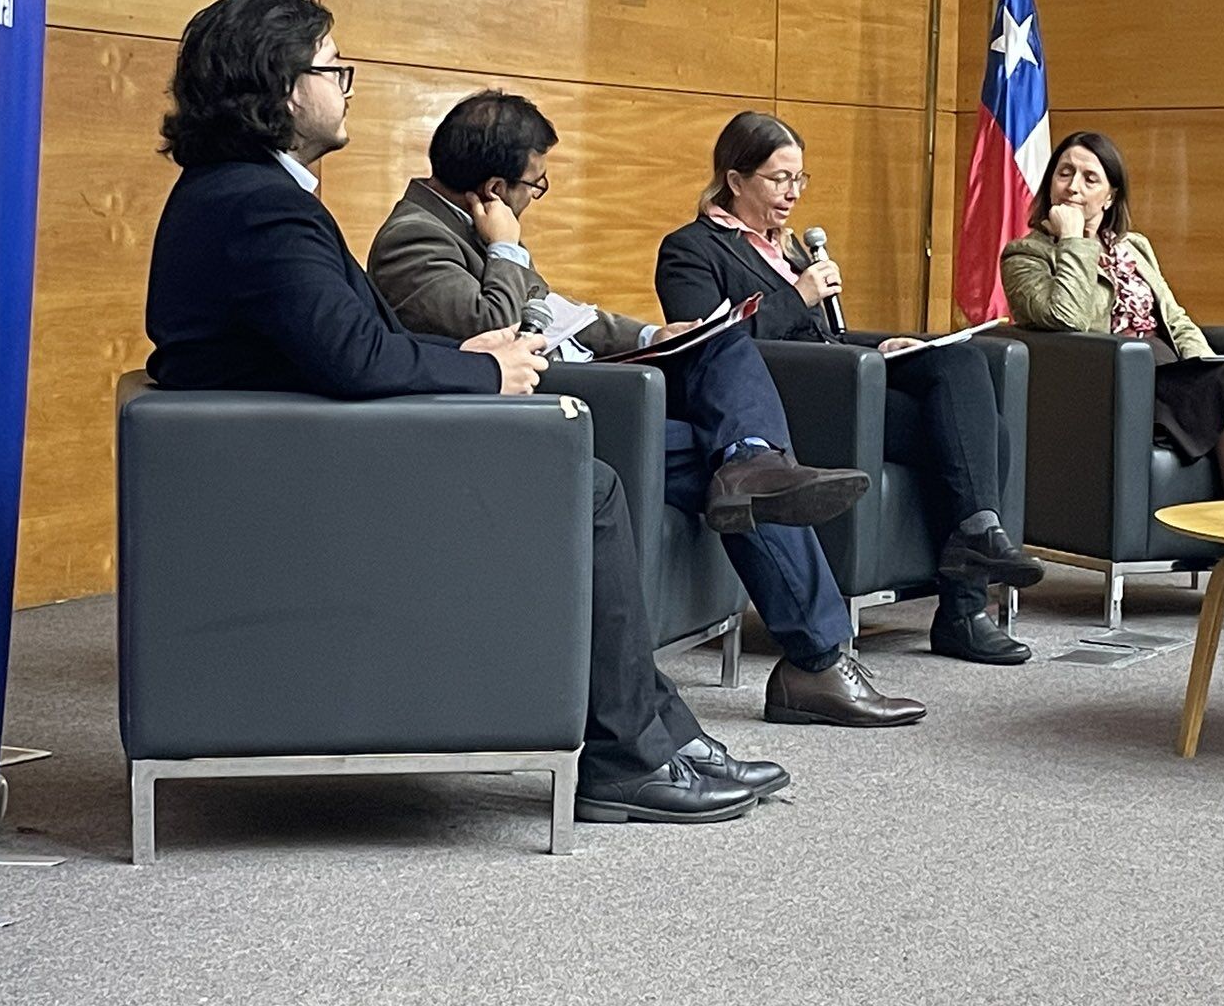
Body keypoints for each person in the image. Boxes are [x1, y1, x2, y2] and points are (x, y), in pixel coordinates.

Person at [144, 0, 784, 825]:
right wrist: (483, 376)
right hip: (312, 475)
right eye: (333, 67)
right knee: (584, 486)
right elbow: (353, 357)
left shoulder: (244, 192)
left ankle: (655, 730)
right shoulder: (258, 204)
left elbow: (334, 343)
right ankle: (632, 752)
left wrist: (460, 355)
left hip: (301, 452)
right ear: (279, 86)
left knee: (592, 474)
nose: (345, 84)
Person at [367, 90, 925, 730]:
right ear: (494, 188)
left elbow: (561, 313)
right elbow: (493, 328)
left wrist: (649, 337)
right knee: (744, 468)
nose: (535, 196)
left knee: (725, 364)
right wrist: (507, 249)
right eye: (534, 183)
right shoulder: (415, 239)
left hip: (597, 391)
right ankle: (814, 654)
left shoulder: (473, 228)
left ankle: (768, 510)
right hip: (541, 418)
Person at [654, 111, 1044, 666]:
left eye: (800, 179)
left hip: (843, 383)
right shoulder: (691, 249)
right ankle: (963, 608)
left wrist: (872, 349)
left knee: (961, 373)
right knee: (971, 437)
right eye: (778, 179)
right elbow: (708, 347)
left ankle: (975, 551)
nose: (792, 193)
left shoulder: (789, 250)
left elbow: (821, 335)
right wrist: (799, 295)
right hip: (780, 409)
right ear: (735, 181)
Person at [999, 130, 1224, 640]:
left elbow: (1175, 318)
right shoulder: (1024, 255)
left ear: (1111, 195)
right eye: (1064, 174)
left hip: (1172, 375)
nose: (1074, 188)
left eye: (1089, 177)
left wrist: (1211, 370)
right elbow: (1067, 319)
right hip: (1114, 387)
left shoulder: (1135, 246)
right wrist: (1075, 241)